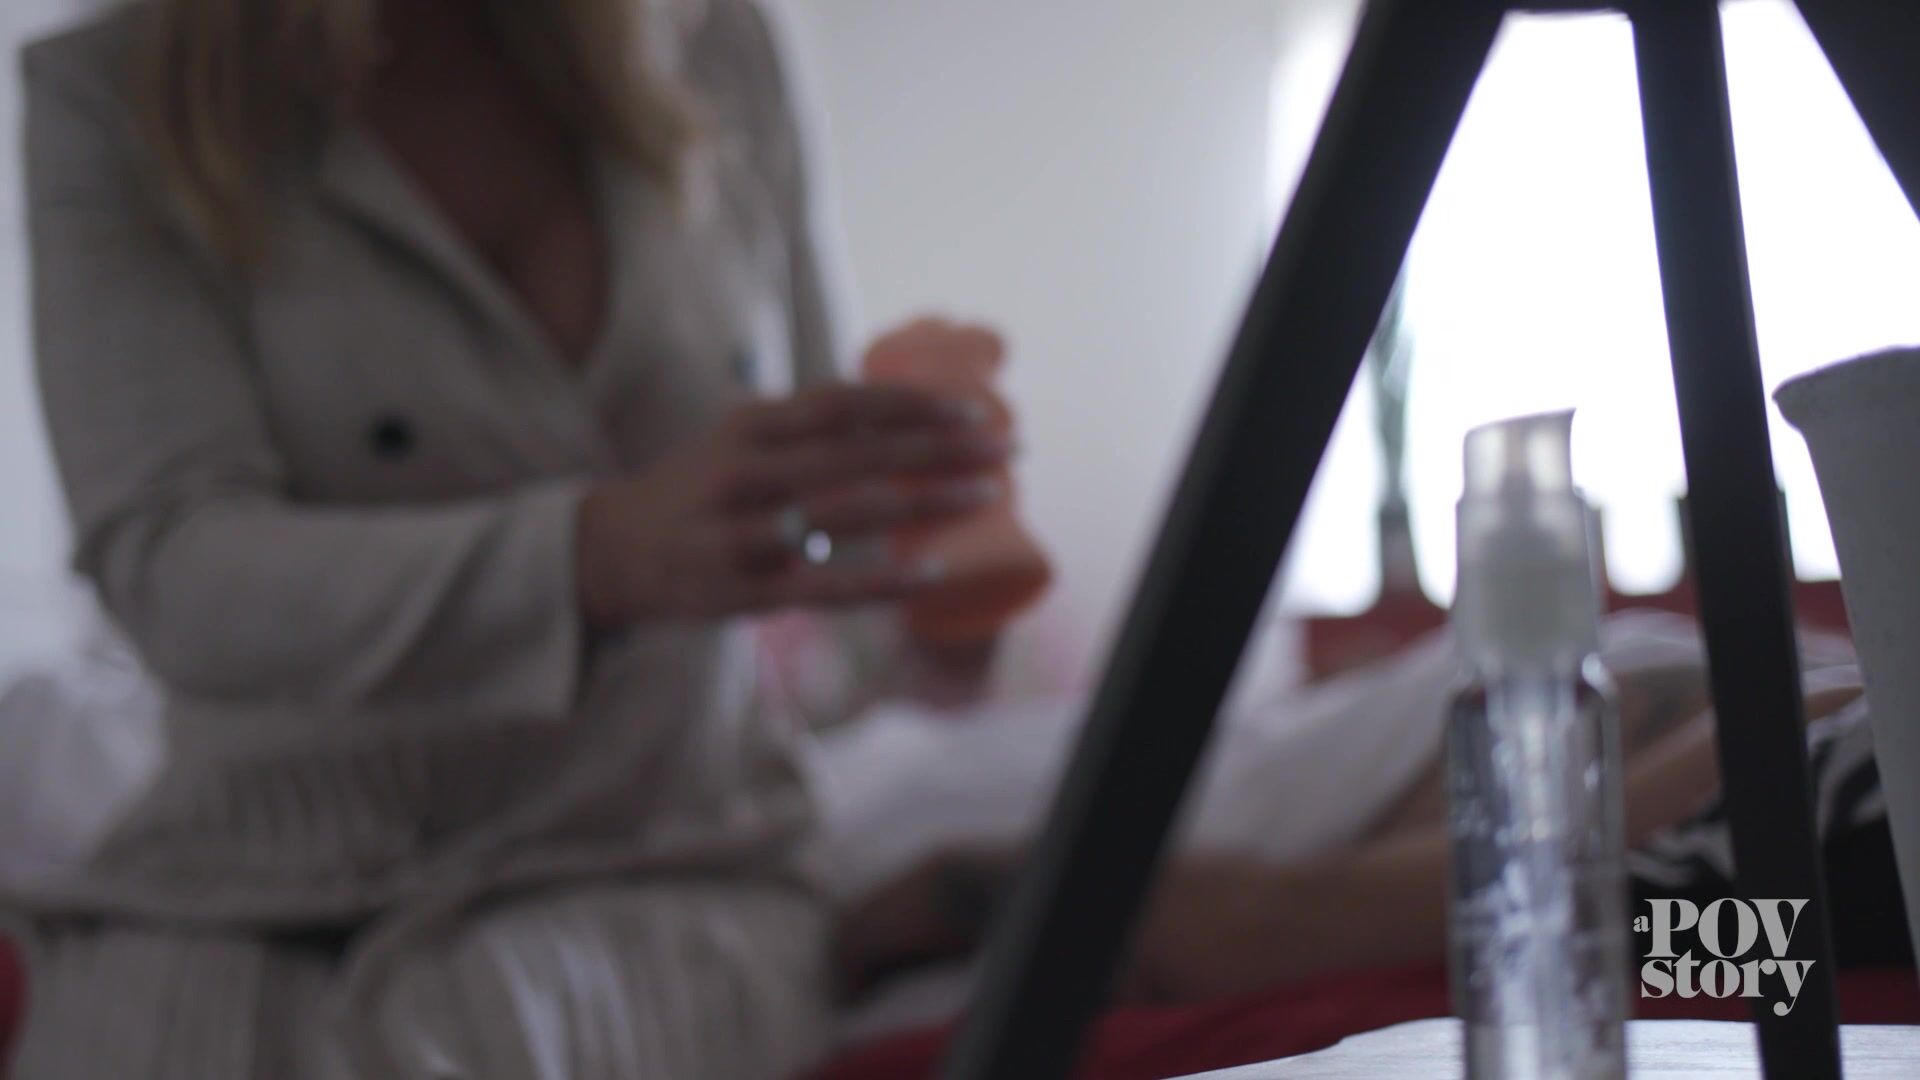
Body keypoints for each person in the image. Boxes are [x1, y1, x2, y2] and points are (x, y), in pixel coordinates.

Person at [8, 0, 1018, 1076]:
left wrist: (928, 612)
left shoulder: (718, 43)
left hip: (662, 857)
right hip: (248, 886)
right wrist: (592, 554)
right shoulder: (117, 96)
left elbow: (826, 539)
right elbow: (174, 568)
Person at [836, 623, 1912, 1009]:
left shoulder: (1833, 883)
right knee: (860, 819)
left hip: (1523, 735)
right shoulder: (1850, 821)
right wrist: (950, 892)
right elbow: (1261, 926)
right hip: (1487, 737)